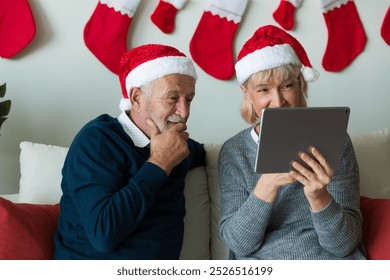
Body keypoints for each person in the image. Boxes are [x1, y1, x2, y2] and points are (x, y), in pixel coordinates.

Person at [218, 25, 366, 260]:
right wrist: (267, 185)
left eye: (286, 86)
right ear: (247, 93)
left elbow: (344, 245)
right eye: (264, 89)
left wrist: (319, 196)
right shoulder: (234, 152)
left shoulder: (336, 139)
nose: (278, 101)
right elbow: (239, 245)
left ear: (300, 85)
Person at [54, 44, 205, 259]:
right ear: (136, 98)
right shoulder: (98, 140)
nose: (184, 111)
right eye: (173, 98)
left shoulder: (177, 145)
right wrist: (160, 163)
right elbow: (103, 235)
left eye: (189, 99)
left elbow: (218, 155)